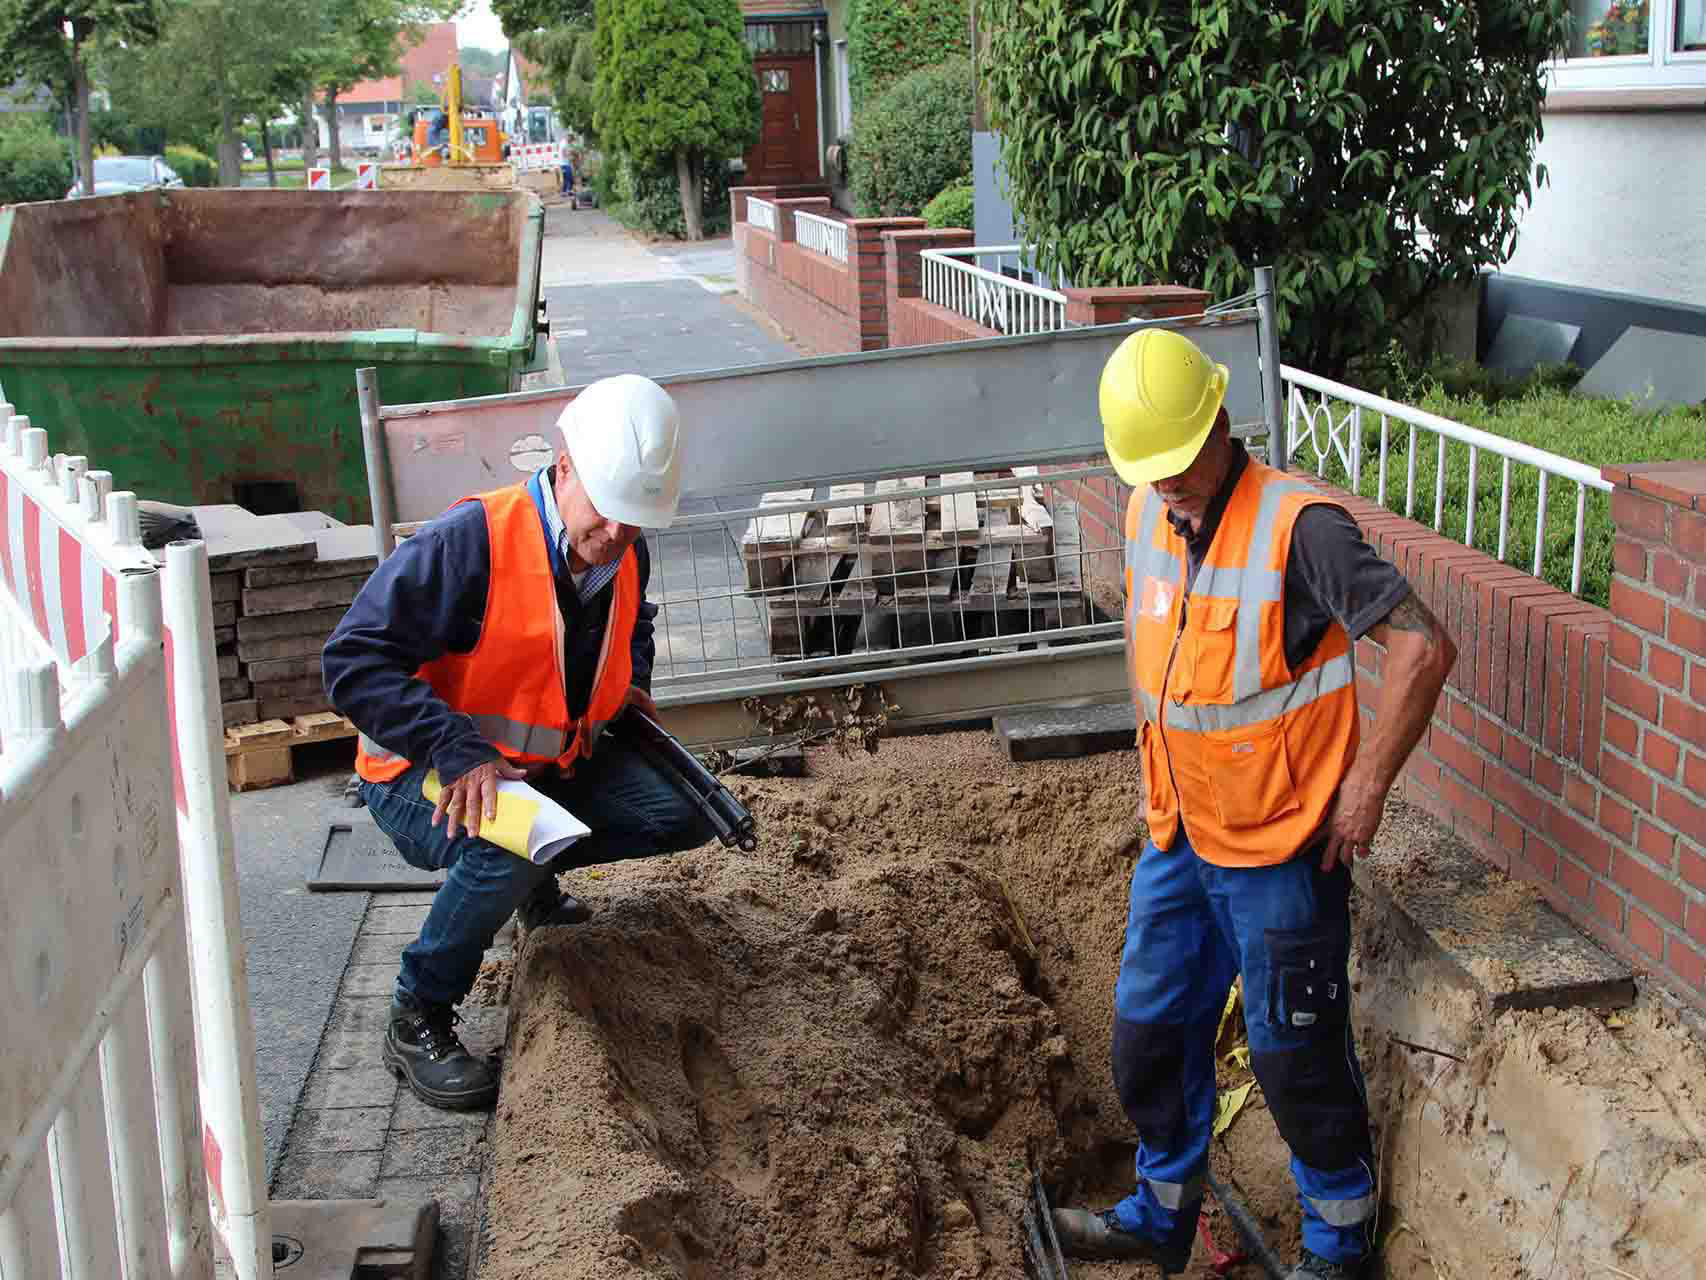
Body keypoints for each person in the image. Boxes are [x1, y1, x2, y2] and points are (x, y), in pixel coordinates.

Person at [1049, 329, 1456, 1279]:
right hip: (1181, 837)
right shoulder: (1150, 513)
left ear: (1223, 423)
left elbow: (1422, 647)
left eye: (1184, 461)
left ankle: (1338, 1245)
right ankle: (1160, 1213)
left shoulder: (1299, 529)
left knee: (1293, 1059)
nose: (1171, 484)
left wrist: (1366, 788)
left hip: (1281, 849)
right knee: (1147, 1034)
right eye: (1153, 469)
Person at [323, 374, 718, 1112]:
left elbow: (635, 623)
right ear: (564, 469)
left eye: (637, 523)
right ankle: (418, 1013)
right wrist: (455, 746)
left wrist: (629, 681)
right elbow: (351, 662)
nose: (618, 539)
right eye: (607, 517)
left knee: (684, 812)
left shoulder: (624, 547)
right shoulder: (467, 543)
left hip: (541, 768)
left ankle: (531, 884)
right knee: (506, 844)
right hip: (417, 772)